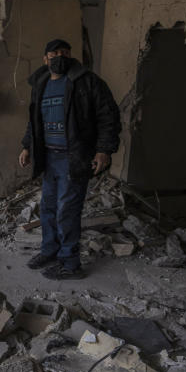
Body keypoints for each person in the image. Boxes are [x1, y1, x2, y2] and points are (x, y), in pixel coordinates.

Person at [18, 39, 120, 280]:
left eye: (65, 52)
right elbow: (35, 121)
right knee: (48, 208)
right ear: (45, 58)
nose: (59, 57)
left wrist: (104, 150)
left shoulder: (86, 81)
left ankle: (70, 263)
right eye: (54, 53)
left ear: (71, 55)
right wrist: (26, 146)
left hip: (74, 157)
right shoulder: (41, 83)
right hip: (49, 157)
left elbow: (108, 117)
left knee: (67, 210)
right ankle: (50, 251)